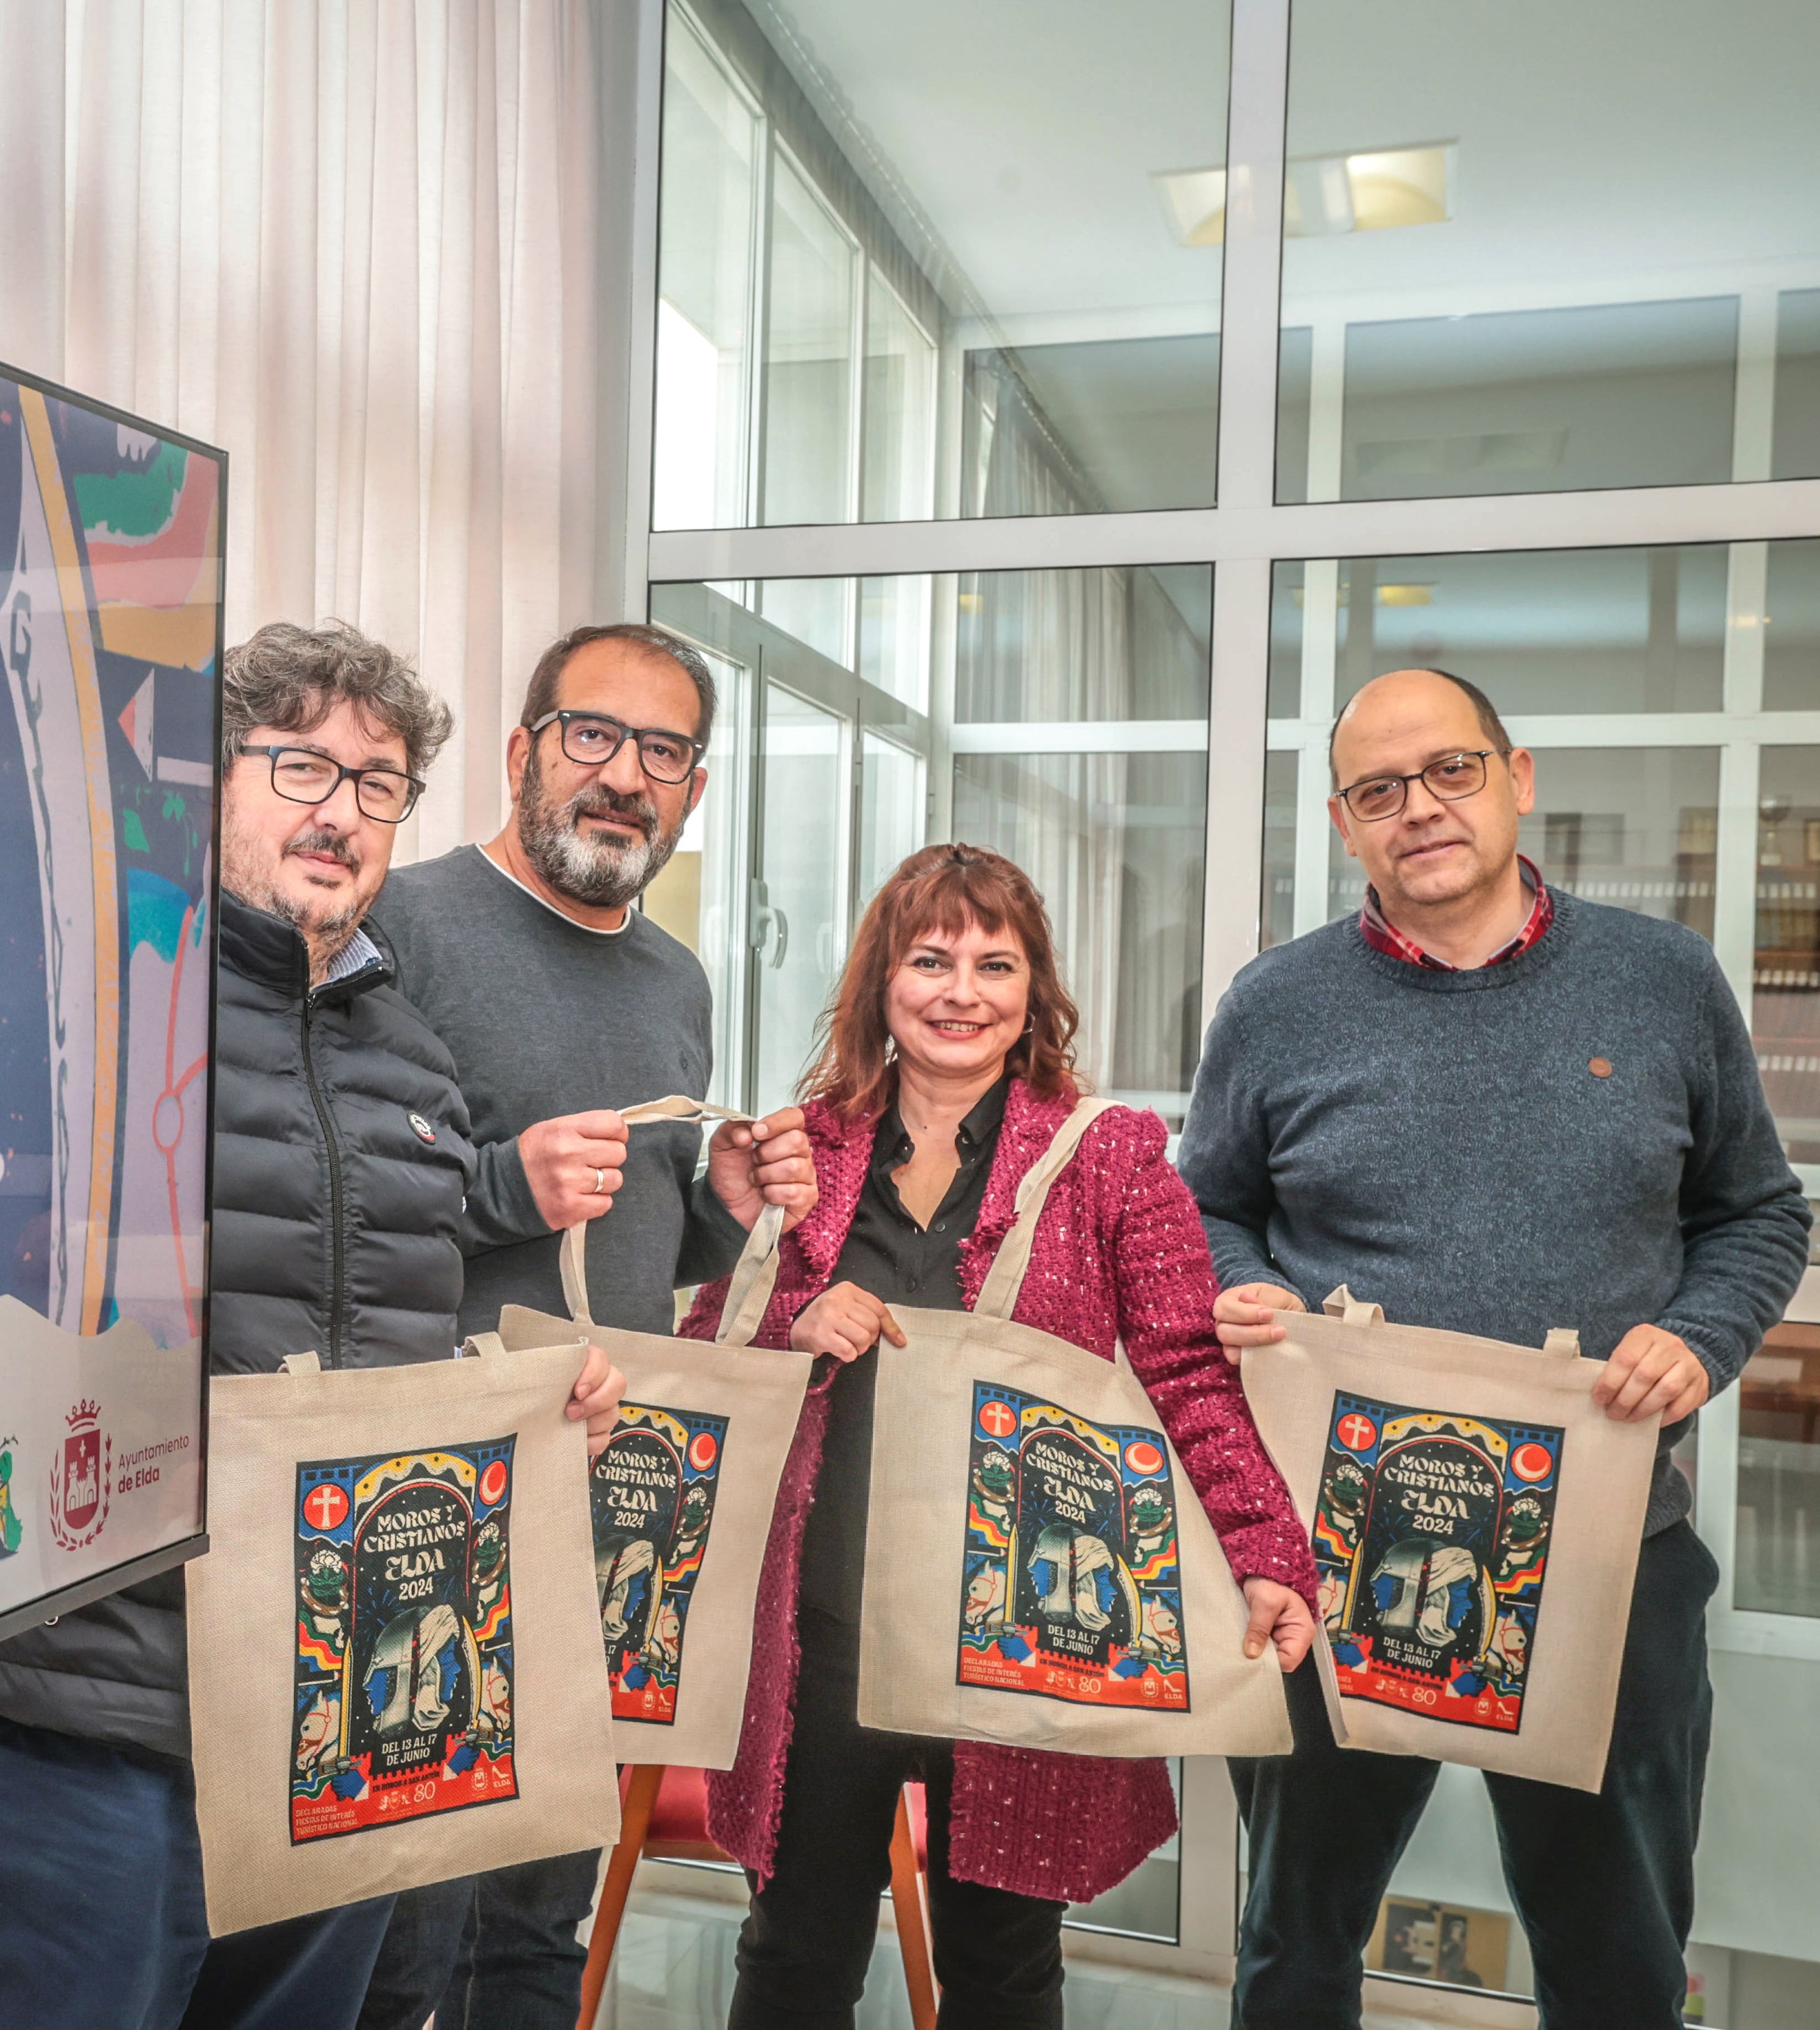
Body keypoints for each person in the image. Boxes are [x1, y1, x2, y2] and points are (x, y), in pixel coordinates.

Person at [0, 621, 626, 2030]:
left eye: (378, 783)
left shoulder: (413, 1065)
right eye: (301, 762)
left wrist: (523, 1407)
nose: (341, 809)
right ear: (206, 777)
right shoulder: (88, 1014)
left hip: (335, 1723)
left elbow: (384, 1355)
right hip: (104, 1720)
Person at [1179, 666, 1810, 2030]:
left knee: (1619, 1956)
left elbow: (1757, 1214)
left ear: (1518, 777)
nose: (1420, 809)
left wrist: (1700, 1338)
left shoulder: (1665, 981)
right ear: (1345, 822)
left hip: (1606, 1551)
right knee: (1294, 1939)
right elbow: (1211, 1205)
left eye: (1450, 771)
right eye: (1379, 790)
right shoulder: (1275, 1003)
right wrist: (1239, 1288)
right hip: (1332, 1559)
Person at [683, 843, 1319, 2030]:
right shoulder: (805, 1148)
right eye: (929, 958)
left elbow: (1186, 1365)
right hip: (821, 1638)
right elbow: (709, 1346)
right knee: (791, 1957)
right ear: (882, 977)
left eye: (993, 960)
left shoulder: (1112, 1156)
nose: (959, 989)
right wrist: (791, 1317)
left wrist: (1267, 1546)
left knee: (1003, 1967)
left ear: (1034, 988)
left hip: (1024, 1638)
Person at [356, 622, 817, 2030]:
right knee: (402, 1920)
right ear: (523, 752)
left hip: (598, 1491)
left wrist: (726, 1205)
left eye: (661, 751)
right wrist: (503, 1180)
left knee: (540, 1914)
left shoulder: (675, 978)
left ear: (693, 788)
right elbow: (334, 1189)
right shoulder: (405, 919)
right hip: (417, 1493)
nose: (623, 776)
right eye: (592, 737)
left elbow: (640, 1236)